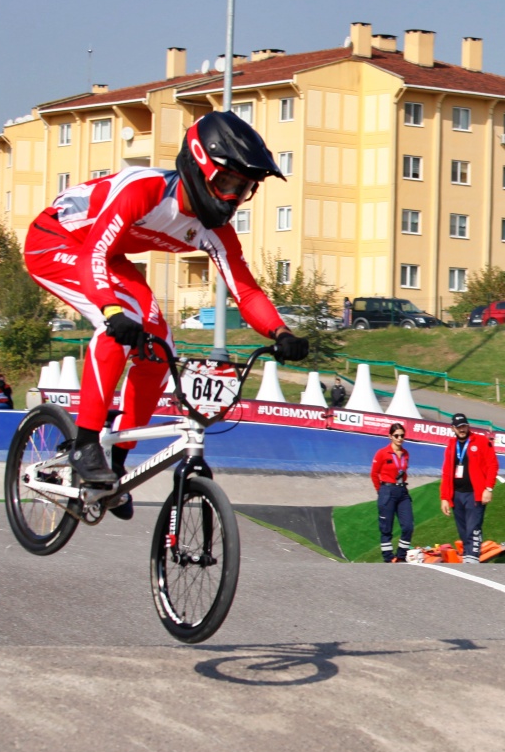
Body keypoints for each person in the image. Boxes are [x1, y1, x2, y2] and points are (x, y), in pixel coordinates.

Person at [22, 111, 308, 508]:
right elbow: (94, 254)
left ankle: (117, 465)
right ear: (199, 165)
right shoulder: (146, 191)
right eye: (226, 182)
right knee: (117, 327)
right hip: (58, 243)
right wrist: (111, 312)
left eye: (242, 189)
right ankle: (85, 445)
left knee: (158, 350)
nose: (231, 197)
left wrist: (281, 332)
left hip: (111, 256)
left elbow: (244, 288)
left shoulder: (216, 231)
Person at [440, 413, 498, 563]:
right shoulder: (451, 445)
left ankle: (472, 560)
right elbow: (446, 472)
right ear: (453, 428)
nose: (462, 429)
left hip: (475, 494)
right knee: (463, 531)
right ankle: (468, 557)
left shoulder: (481, 441)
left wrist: (488, 488)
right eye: (458, 427)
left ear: (468, 425)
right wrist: (445, 497)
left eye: (464, 426)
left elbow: (493, 465)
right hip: (457, 495)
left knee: (474, 529)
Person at [371, 422, 414, 563]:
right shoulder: (382, 453)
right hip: (387, 490)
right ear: (390, 436)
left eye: (402, 435)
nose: (400, 438)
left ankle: (401, 556)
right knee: (386, 528)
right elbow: (374, 474)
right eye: (396, 436)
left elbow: (403, 472)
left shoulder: (406, 453)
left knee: (408, 526)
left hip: (402, 491)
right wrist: (381, 491)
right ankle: (388, 559)